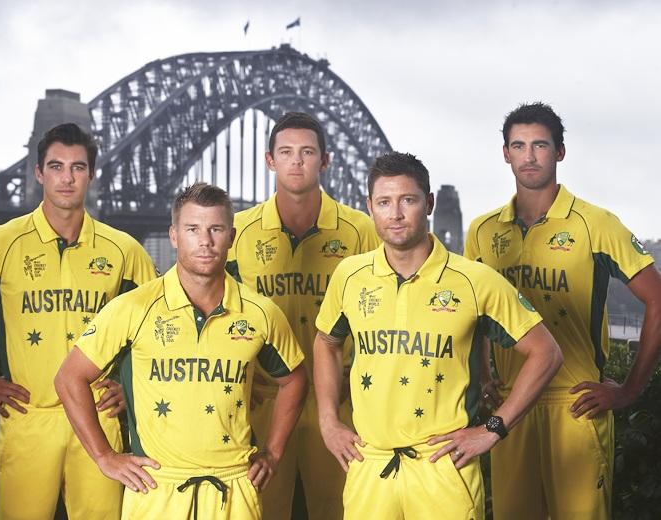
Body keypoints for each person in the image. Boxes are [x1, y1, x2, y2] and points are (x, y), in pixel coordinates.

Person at [314, 151, 563, 519]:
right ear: (369, 207)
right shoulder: (349, 276)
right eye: (384, 202)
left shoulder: (474, 281)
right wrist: (327, 420)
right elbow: (327, 342)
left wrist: (492, 429)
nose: (395, 214)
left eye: (408, 200)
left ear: (428, 204)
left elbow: (547, 352)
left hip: (443, 468)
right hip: (370, 464)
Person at [55, 183, 308, 519]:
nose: (205, 241)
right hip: (156, 489)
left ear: (231, 236)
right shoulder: (133, 307)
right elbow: (70, 377)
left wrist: (273, 453)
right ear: (174, 235)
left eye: (215, 229)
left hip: (234, 490)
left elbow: (295, 380)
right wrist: (104, 455)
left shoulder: (261, 313)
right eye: (193, 229)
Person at [465, 102, 661, 519]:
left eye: (540, 144)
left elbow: (657, 299)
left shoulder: (596, 224)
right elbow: (475, 315)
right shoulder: (483, 231)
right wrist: (483, 375)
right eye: (519, 145)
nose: (529, 155)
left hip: (574, 406)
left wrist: (629, 390)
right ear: (505, 154)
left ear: (560, 152)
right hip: (511, 408)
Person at [0, 123, 156, 519]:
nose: (67, 178)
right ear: (38, 173)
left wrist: (129, 389)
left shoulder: (125, 252)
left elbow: (159, 332)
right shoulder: (0, 244)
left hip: (101, 419)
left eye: (78, 167)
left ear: (92, 174)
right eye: (56, 166)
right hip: (28, 419)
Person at [226, 112, 379, 519]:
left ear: (324, 161)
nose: (297, 162)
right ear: (269, 160)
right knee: (259, 511)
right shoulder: (236, 231)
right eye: (287, 152)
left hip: (339, 403)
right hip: (262, 401)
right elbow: (211, 309)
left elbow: (384, 311)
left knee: (339, 510)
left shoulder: (361, 230)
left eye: (307, 152)